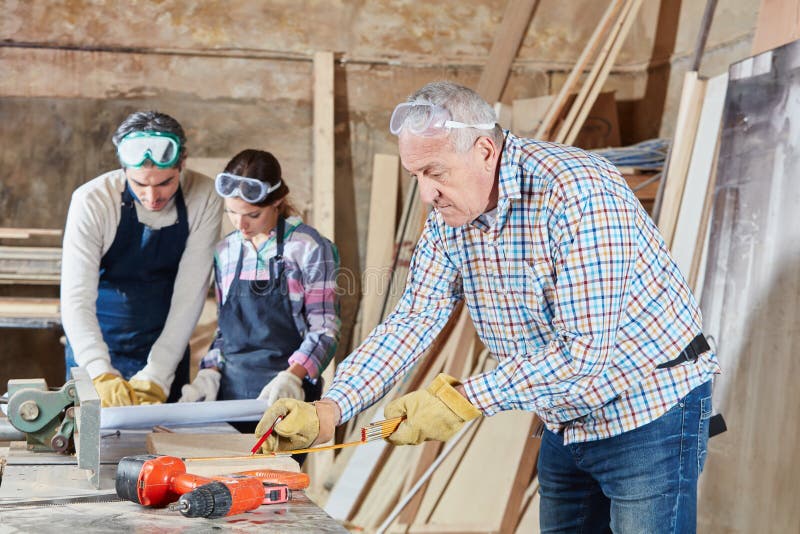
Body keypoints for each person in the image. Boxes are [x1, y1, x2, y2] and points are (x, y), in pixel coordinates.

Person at [254, 81, 722, 532]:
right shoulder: (450, 217)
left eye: (435, 172)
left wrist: (462, 400)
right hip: (566, 415)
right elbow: (416, 317)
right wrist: (333, 408)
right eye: (415, 176)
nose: (426, 193)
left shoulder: (577, 193)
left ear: (483, 150)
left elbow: (583, 355)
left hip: (648, 409)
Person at [61, 111, 222, 407]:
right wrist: (99, 372)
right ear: (123, 169)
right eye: (139, 184)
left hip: (166, 343)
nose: (151, 197)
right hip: (96, 340)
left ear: (182, 163)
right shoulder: (92, 201)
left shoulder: (205, 197)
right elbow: (75, 298)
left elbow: (190, 295)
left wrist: (158, 376)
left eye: (165, 183)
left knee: (163, 448)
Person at [178, 149, 340, 427]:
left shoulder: (308, 248)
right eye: (231, 212)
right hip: (230, 398)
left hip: (287, 396)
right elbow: (225, 331)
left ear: (277, 202)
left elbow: (324, 329)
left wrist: (293, 377)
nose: (240, 224)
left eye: (252, 214)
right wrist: (210, 371)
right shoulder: (226, 251)